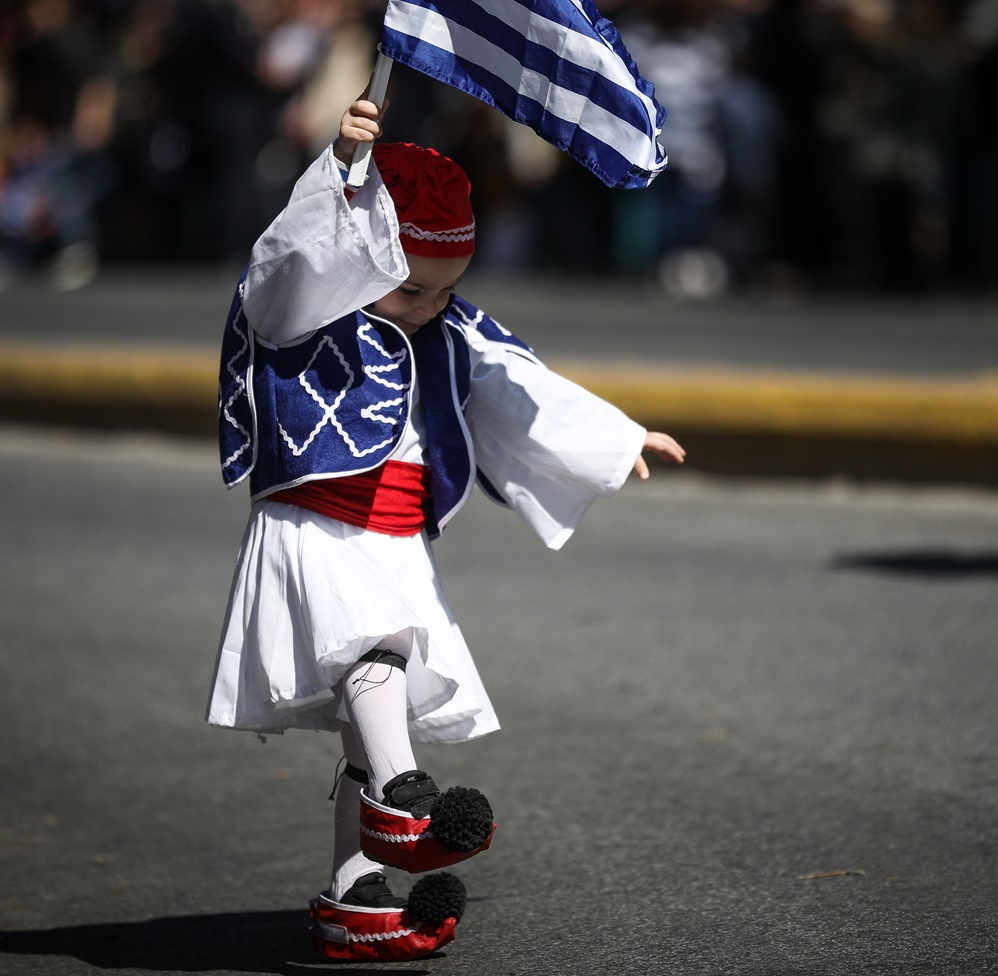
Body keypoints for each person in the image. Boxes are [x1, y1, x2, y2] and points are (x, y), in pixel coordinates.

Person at [206, 97, 685, 962]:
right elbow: (285, 266)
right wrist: (343, 177)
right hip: (318, 524)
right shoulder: (306, 300)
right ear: (365, 256)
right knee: (375, 656)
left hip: (393, 536)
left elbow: (511, 378)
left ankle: (355, 896)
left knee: (368, 705)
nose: (428, 306)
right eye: (410, 287)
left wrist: (615, 438)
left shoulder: (448, 326)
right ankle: (403, 799)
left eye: (444, 290)